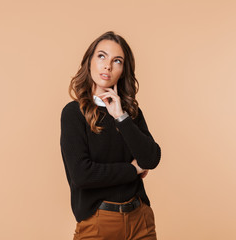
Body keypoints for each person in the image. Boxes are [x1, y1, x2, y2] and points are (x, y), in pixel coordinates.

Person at [60, 31, 162, 240]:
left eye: (117, 61)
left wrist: (120, 117)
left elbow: (151, 158)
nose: (108, 66)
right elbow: (82, 174)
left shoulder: (130, 113)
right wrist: (132, 170)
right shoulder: (73, 113)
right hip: (98, 223)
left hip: (140, 221)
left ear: (123, 70)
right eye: (101, 56)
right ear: (89, 62)